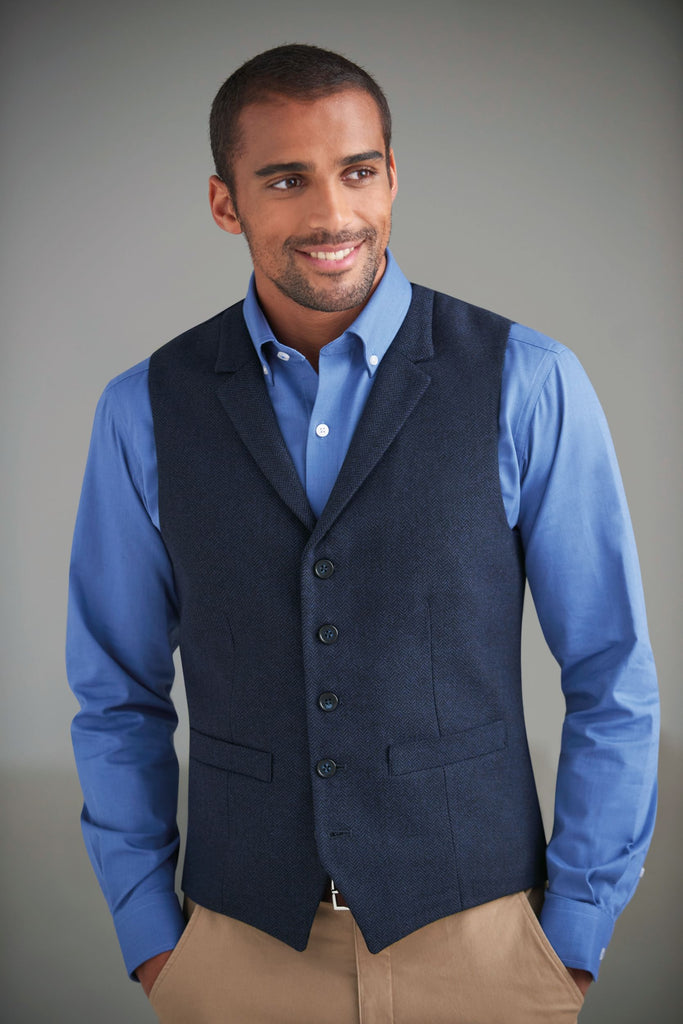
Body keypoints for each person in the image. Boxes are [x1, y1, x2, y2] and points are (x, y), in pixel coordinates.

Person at [67, 43, 659, 1024]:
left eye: (357, 171)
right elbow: (114, 692)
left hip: (485, 946)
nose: (332, 214)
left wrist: (570, 938)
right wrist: (155, 942)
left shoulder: (527, 380)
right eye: (285, 179)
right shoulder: (145, 408)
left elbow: (611, 673)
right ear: (225, 203)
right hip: (238, 953)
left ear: (391, 177)